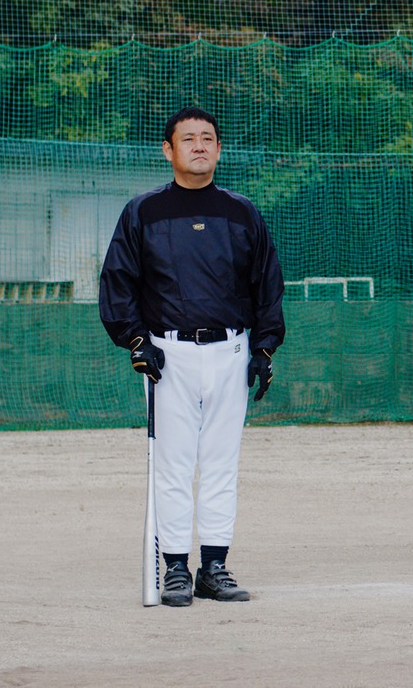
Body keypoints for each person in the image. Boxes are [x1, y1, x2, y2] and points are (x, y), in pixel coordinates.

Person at [99, 106, 285, 606]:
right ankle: (176, 568)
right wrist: (136, 341)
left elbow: (267, 283)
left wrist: (264, 347)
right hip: (169, 354)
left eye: (208, 138)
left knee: (222, 463)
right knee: (174, 465)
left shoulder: (242, 212)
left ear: (219, 149)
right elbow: (119, 281)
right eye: (189, 139)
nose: (199, 146)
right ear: (169, 150)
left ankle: (215, 567)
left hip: (231, 349)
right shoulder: (143, 212)